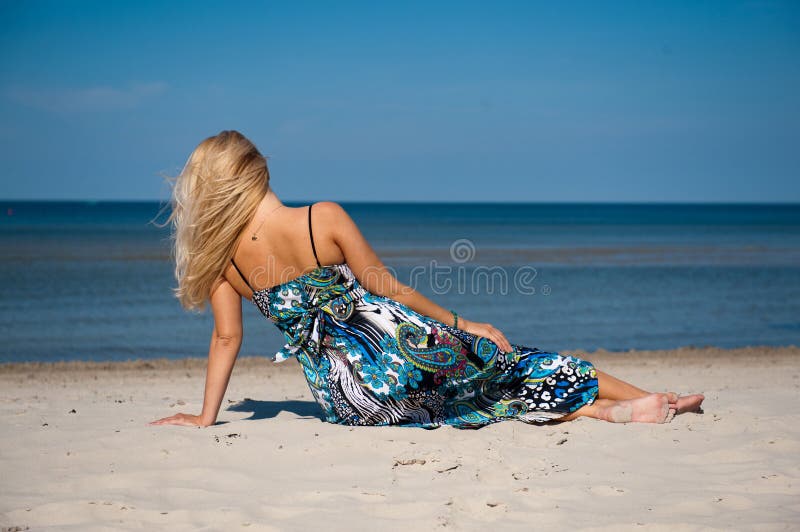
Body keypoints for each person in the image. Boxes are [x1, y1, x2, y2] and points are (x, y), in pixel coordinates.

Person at [149, 130, 704, 429]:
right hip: (404, 355)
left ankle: (601, 412)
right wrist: (468, 323)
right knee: (519, 364)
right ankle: (660, 400)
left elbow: (227, 340)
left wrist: (204, 418)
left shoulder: (224, 262)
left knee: (486, 398)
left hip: (351, 402)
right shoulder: (322, 218)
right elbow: (388, 289)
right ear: (258, 171)